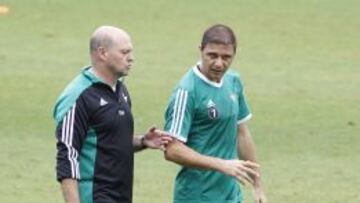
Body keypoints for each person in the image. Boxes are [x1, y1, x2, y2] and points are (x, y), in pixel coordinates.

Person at [53, 25, 172, 203]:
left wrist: (142, 141)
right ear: (102, 53)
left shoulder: (120, 89)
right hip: (94, 195)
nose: (131, 58)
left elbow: (108, 141)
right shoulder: (78, 97)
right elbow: (68, 156)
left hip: (122, 195)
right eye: (124, 52)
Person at [163, 24, 267, 203]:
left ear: (235, 54)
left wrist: (257, 184)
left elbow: (242, 132)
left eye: (226, 57)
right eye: (212, 55)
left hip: (230, 194)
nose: (219, 63)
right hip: (197, 196)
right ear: (200, 50)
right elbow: (172, 149)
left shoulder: (233, 81)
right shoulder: (186, 91)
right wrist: (222, 165)